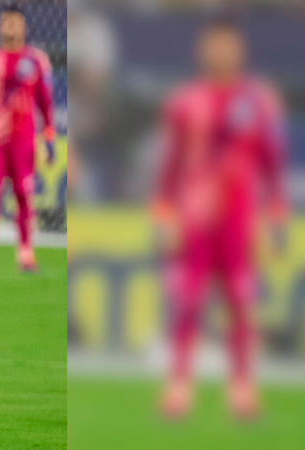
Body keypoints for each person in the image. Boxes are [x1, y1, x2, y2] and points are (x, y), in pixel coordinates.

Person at [155, 19, 286, 421]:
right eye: (214, 46)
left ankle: (241, 390)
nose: (221, 53)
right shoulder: (185, 102)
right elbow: (172, 163)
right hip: (196, 220)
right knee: (188, 302)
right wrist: (163, 211)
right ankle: (179, 389)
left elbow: (270, 164)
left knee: (241, 303)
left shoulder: (256, 102)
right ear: (203, 51)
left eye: (228, 46)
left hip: (239, 222)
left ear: (239, 51)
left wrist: (277, 213)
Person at [0, 5, 56, 272]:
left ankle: (26, 253)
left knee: (24, 195)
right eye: (7, 23)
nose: (11, 28)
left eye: (16, 23)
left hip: (24, 140)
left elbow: (45, 102)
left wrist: (49, 136)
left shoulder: (38, 61)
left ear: (25, 27)